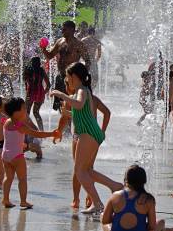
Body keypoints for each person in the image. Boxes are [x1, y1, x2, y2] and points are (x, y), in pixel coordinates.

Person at [50, 62, 121, 214]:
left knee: (79, 171)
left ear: (74, 77)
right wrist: (67, 113)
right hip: (89, 131)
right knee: (86, 170)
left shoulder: (82, 90)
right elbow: (81, 113)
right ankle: (115, 186)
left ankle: (97, 203)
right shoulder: (80, 91)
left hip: (86, 132)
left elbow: (79, 104)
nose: (67, 80)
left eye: (68, 77)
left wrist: (61, 94)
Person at [55, 78, 111, 209]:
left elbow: (65, 118)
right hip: (92, 137)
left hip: (82, 136)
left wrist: (59, 130)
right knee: (87, 168)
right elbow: (106, 113)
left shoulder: (73, 99)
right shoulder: (92, 98)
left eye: (67, 84)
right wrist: (102, 131)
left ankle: (78, 199)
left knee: (79, 169)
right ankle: (88, 197)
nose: (67, 87)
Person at [1, 97, 60, 209]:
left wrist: (20, 144)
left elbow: (11, 138)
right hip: (17, 156)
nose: (26, 110)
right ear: (16, 112)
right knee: (22, 179)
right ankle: (23, 201)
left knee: (8, 178)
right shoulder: (20, 126)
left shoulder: (6, 122)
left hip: (6, 155)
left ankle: (5, 199)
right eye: (23, 108)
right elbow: (37, 134)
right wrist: (52, 133)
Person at [102, 165, 173, 231]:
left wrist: (119, 218)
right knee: (161, 222)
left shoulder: (115, 196)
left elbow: (105, 221)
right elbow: (152, 226)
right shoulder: (148, 199)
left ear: (126, 180)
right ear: (144, 181)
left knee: (102, 215)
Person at [41, 21, 91, 112]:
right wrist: (43, 49)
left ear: (72, 29)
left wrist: (82, 76)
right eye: (62, 29)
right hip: (61, 76)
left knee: (70, 103)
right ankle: (65, 125)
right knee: (60, 104)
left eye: (64, 29)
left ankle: (70, 124)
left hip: (72, 78)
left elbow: (88, 60)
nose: (62, 31)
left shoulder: (79, 44)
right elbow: (50, 56)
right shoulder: (60, 41)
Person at [24, 57, 50, 131]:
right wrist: (43, 93)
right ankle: (41, 131)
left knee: (27, 113)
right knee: (36, 113)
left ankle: (27, 130)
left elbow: (25, 82)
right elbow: (48, 85)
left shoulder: (29, 70)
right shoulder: (41, 71)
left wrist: (27, 90)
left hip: (30, 93)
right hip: (40, 93)